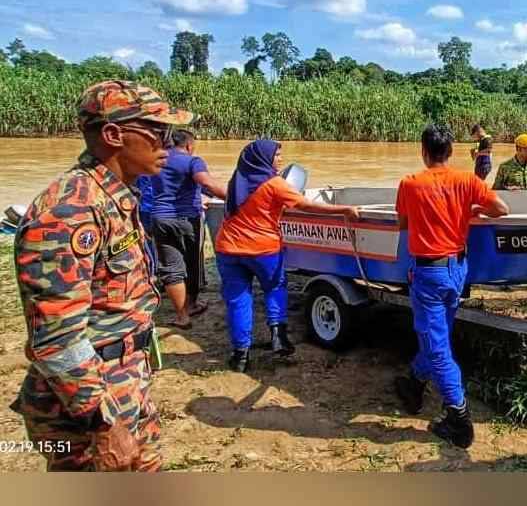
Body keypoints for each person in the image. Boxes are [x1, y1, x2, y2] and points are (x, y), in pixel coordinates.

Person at [12, 79, 195, 471]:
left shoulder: (117, 196)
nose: (169, 143)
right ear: (113, 134)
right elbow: (58, 340)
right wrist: (104, 426)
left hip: (123, 381)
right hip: (86, 410)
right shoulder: (69, 211)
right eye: (158, 132)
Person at [393, 124, 510, 448]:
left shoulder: (410, 183)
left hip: (430, 274)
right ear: (451, 152)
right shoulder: (467, 180)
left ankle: (459, 419)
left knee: (438, 347)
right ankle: (415, 382)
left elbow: (402, 223)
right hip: (458, 268)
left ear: (423, 151)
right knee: (438, 332)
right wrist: (469, 209)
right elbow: (501, 210)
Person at [214, 139, 359, 373]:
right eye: (276, 155)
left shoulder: (237, 180)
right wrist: (343, 210)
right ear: (264, 158)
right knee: (275, 288)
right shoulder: (274, 184)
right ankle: (279, 337)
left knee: (238, 300)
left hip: (228, 248)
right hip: (263, 250)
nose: (280, 159)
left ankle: (241, 356)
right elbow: (306, 206)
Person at [149, 129, 227, 329]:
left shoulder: (157, 158)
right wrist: (236, 198)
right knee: (192, 263)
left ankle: (182, 316)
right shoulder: (193, 161)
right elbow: (206, 182)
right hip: (187, 220)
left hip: (159, 218)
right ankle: (191, 304)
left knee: (171, 267)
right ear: (189, 145)